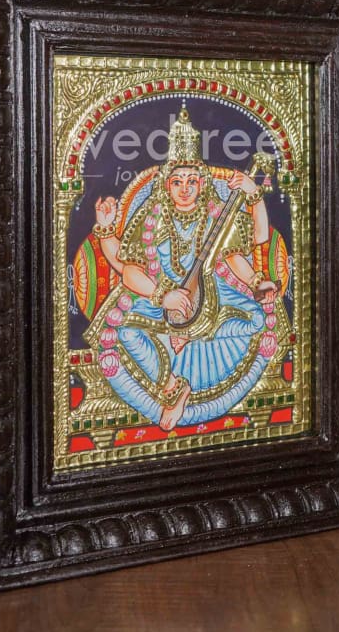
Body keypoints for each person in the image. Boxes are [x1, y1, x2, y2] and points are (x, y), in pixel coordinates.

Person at [87, 107, 281, 431]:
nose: (185, 188)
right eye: (177, 181)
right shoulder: (153, 215)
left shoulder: (214, 212)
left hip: (212, 299)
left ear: (202, 183)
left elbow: (251, 242)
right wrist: (163, 295)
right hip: (160, 297)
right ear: (166, 184)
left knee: (257, 320)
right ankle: (173, 387)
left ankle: (192, 358)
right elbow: (127, 269)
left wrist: (253, 195)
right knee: (125, 331)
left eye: (192, 181)